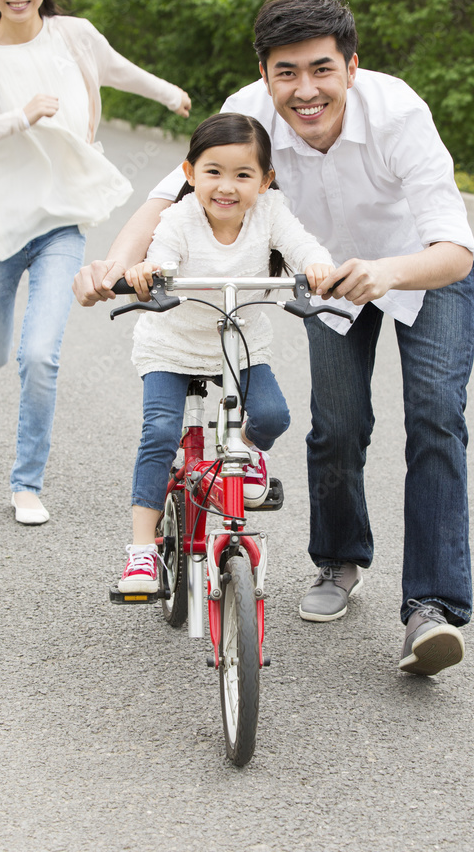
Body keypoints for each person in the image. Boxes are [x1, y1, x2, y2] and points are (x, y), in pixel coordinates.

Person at [73, 0, 474, 677]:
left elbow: (455, 252)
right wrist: (115, 265)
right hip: (314, 278)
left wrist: (384, 272)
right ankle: (339, 563)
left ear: (352, 66)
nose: (305, 89)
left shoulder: (399, 114)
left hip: (415, 268)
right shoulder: (248, 113)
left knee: (436, 419)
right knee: (336, 424)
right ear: (263, 75)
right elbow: (164, 201)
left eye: (320, 69)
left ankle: (430, 610)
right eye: (285, 72)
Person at [0, 0, 191, 525]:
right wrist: (17, 119)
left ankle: (27, 484)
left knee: (41, 354)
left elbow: (116, 68)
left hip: (58, 224)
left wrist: (166, 93)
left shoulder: (73, 36)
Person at [115, 112, 335, 591]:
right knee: (160, 432)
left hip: (238, 342)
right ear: (190, 173)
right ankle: (141, 552)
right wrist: (150, 272)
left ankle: (249, 454)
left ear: (265, 180)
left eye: (243, 175)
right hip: (171, 344)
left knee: (273, 415)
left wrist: (318, 267)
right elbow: (164, 254)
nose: (226, 187)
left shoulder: (270, 212)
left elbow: (302, 245)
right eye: (213, 172)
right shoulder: (179, 217)